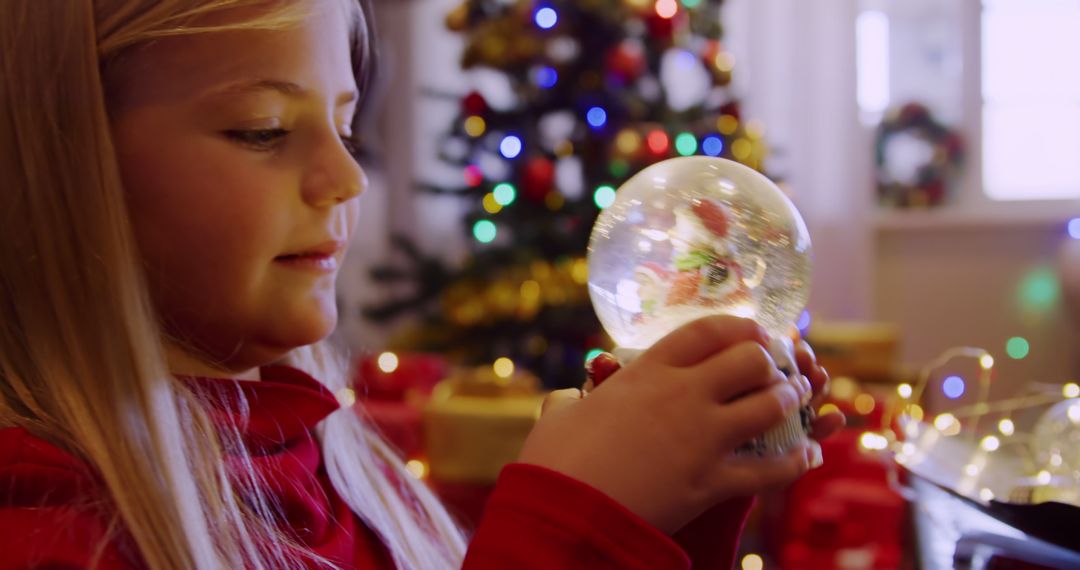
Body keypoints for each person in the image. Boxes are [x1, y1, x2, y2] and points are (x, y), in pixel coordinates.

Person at [0, 0, 843, 568]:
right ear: (59, 165)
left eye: (344, 122)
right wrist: (567, 522)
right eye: (262, 131)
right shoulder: (47, 522)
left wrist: (664, 517)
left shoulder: (329, 457)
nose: (346, 175)